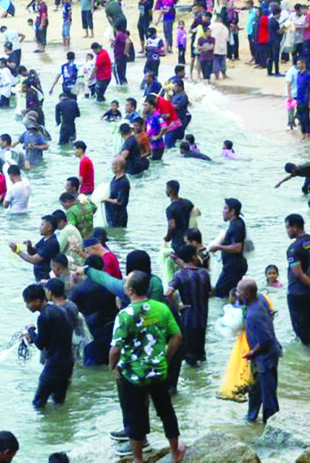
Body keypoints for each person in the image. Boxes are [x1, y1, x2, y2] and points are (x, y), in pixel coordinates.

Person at [110, 271, 185, 463]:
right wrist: (165, 359)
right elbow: (177, 337)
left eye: (125, 282)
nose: (124, 284)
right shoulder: (161, 308)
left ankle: (138, 458)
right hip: (158, 371)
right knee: (166, 410)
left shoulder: (125, 315)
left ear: (130, 290)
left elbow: (115, 349)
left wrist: (113, 367)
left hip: (133, 374)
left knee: (134, 413)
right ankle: (175, 451)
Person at [234, 278, 282, 424]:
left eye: (239, 291)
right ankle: (251, 416)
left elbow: (265, 340)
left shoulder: (253, 315)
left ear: (247, 294)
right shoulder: (260, 299)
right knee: (255, 388)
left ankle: (272, 423)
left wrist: (252, 353)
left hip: (265, 357)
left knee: (268, 392)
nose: (236, 293)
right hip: (266, 352)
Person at [22, 283, 77, 408]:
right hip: (68, 361)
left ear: (37, 301)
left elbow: (40, 344)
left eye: (28, 302)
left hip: (55, 364)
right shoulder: (59, 310)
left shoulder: (44, 317)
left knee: (38, 402)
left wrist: (31, 330)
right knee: (59, 400)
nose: (27, 306)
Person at [284, 213, 310, 347]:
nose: (287, 231)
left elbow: (298, 274)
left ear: (295, 227)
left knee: (300, 328)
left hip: (298, 293)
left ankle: (309, 358)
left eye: (287, 228)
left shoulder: (293, 248)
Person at [210, 198, 247, 297]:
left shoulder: (236, 226)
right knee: (230, 293)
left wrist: (218, 247)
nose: (223, 211)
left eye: (225, 208)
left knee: (220, 293)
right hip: (233, 266)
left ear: (232, 211)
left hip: (233, 267)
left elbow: (237, 247)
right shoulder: (236, 223)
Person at [10, 215, 61, 281]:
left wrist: (17, 251)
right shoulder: (45, 239)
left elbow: (34, 259)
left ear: (49, 228)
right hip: (40, 276)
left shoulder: (51, 243)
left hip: (46, 277)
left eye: (42, 225)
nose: (40, 227)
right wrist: (29, 246)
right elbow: (33, 252)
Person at [103, 157, 131, 227]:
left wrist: (105, 199)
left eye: (113, 165)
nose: (111, 167)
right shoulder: (115, 178)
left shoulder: (123, 182)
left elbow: (120, 202)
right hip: (111, 214)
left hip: (118, 217)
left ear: (118, 167)